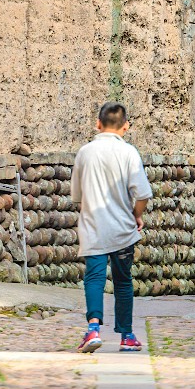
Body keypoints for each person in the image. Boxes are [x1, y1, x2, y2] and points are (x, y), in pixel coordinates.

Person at [70, 101, 153, 354]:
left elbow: (77, 196)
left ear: (98, 124)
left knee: (94, 278)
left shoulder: (85, 152)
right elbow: (142, 194)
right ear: (125, 126)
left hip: (93, 226)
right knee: (123, 281)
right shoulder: (129, 153)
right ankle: (126, 335)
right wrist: (136, 215)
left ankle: (93, 329)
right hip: (122, 230)